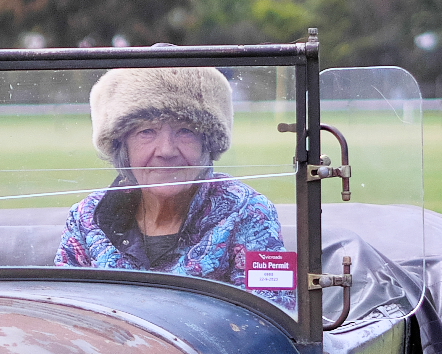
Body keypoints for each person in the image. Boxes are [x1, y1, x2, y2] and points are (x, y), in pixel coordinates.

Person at [55, 64, 286, 300]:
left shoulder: (249, 211)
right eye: (147, 131)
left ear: (207, 144)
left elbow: (273, 310)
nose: (166, 150)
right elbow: (63, 310)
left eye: (185, 130)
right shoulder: (88, 217)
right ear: (122, 147)